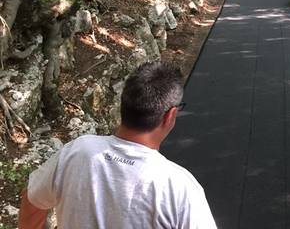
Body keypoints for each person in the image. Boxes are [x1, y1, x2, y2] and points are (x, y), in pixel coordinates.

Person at [18, 62, 217, 229]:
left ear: (123, 103)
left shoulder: (78, 151)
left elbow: (32, 199)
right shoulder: (179, 186)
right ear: (170, 115)